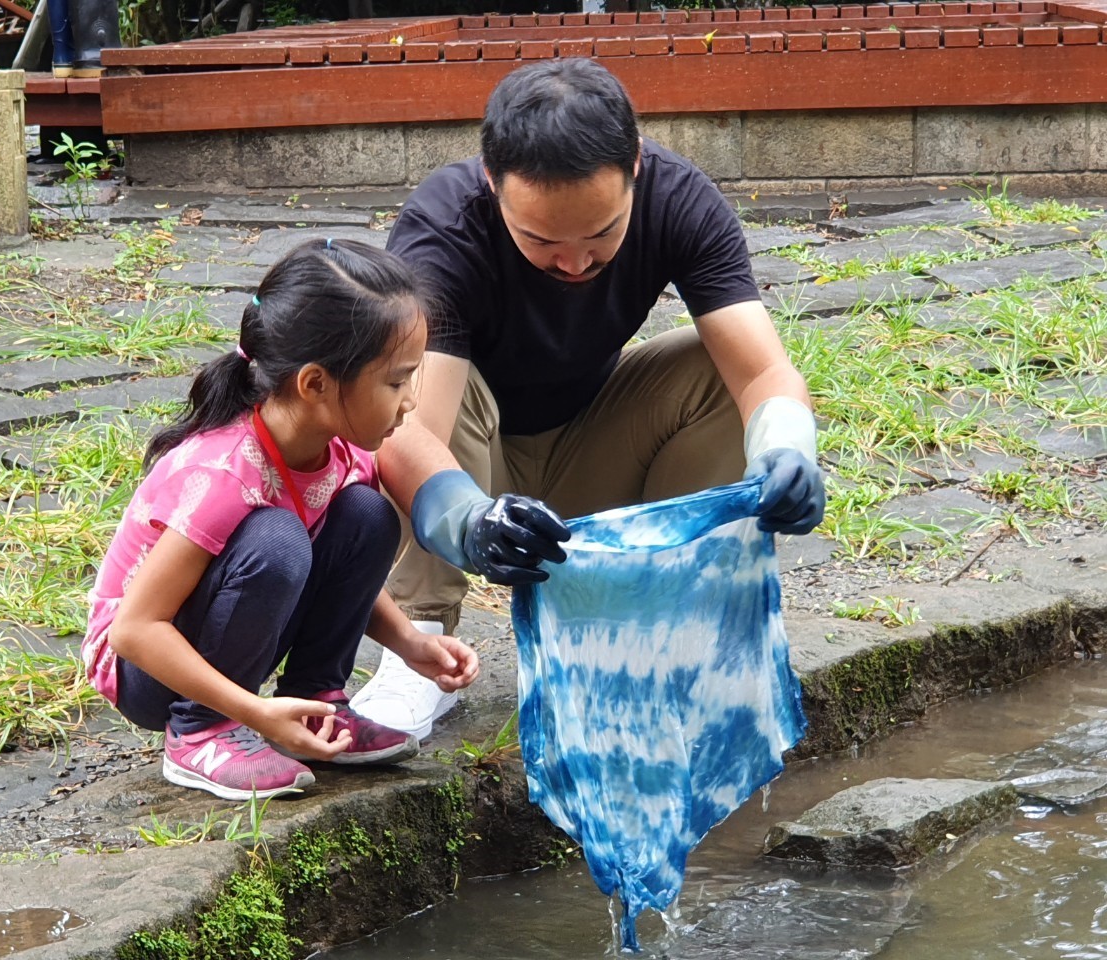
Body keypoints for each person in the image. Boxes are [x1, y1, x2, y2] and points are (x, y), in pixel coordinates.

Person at [351, 58, 826, 738]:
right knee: (411, 394)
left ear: (635, 164)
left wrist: (788, 452)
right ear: (492, 182)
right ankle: (422, 652)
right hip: (474, 470)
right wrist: (473, 525)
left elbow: (762, 373)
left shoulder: (681, 200)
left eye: (602, 233)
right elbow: (406, 433)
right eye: (541, 240)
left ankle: (659, 619)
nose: (575, 264)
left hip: (595, 447)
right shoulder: (445, 229)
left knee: (717, 370)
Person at [80, 238, 479, 801]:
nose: (411, 401)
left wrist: (410, 643)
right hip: (147, 673)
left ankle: (318, 702)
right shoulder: (222, 473)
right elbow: (135, 630)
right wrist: (257, 712)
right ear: (315, 383)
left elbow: (348, 567)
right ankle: (200, 733)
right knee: (278, 538)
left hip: (229, 636)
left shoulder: (340, 451)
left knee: (368, 514)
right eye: (395, 381)